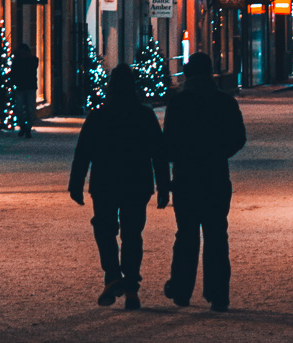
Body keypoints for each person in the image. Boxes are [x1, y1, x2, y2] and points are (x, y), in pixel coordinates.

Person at [69, 64, 169, 311]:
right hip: (137, 182)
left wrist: (76, 183)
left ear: (110, 87)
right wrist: (164, 186)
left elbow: (83, 153)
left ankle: (113, 275)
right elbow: (159, 153)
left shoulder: (99, 115)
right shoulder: (145, 115)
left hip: (105, 182)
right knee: (133, 233)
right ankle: (132, 284)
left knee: (104, 229)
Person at [162, 52, 246, 312]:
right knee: (216, 235)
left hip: (186, 176)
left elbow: (168, 142)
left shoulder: (179, 103)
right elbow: (238, 137)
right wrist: (218, 153)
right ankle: (218, 294)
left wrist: (179, 159)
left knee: (186, 234)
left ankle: (181, 289)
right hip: (216, 176)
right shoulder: (224, 102)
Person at [11, 42, 39, 138]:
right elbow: (13, 73)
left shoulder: (32, 60)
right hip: (21, 87)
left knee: (29, 109)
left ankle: (27, 129)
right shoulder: (18, 61)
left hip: (29, 87)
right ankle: (23, 127)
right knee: (19, 109)